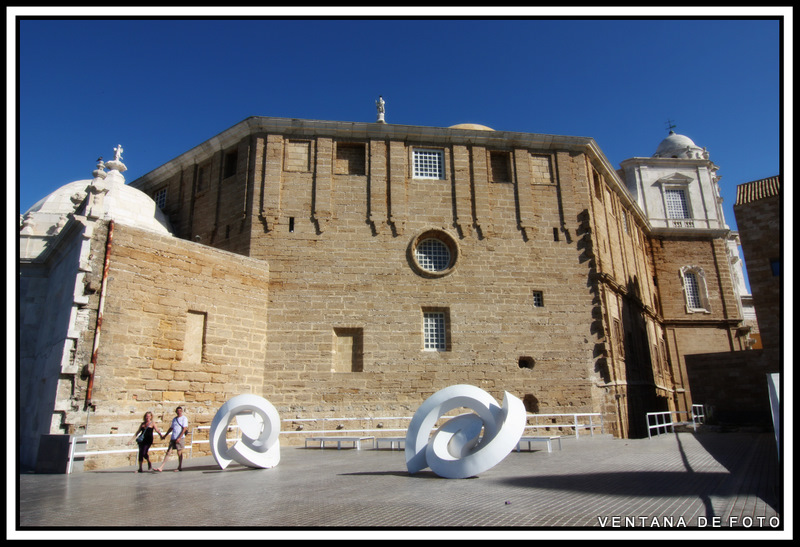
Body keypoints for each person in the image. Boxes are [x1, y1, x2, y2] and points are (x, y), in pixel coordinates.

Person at [155, 406, 189, 472]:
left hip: (180, 438)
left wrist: (179, 438)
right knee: (168, 452)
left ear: (181, 411)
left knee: (179, 452)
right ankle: (161, 467)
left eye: (180, 411)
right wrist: (165, 435)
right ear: (176, 411)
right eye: (178, 411)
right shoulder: (174, 419)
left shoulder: (184, 418)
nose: (179, 412)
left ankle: (179, 466)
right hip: (173, 437)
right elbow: (171, 428)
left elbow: (184, 428)